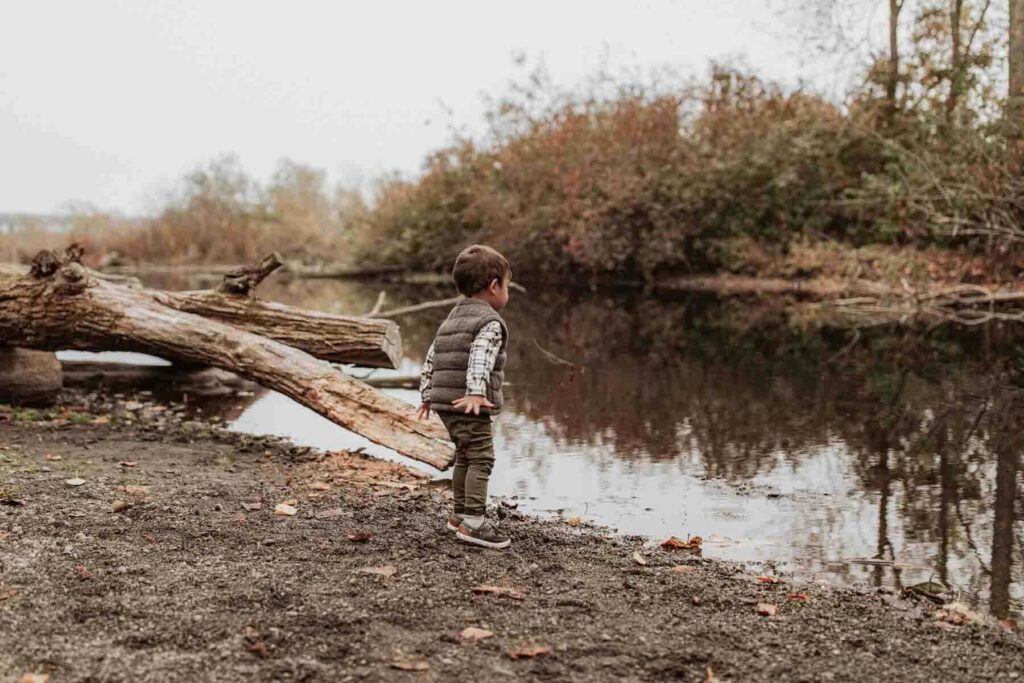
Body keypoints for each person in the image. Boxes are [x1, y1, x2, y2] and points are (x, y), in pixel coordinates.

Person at [417, 244, 512, 549]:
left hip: (446, 403)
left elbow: (433, 355)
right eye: (507, 285)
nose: (506, 291)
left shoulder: (452, 317)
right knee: (481, 458)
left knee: (465, 456)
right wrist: (474, 391)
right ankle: (474, 523)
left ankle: (459, 515)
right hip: (468, 403)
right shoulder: (489, 322)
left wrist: (427, 393)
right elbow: (480, 357)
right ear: (494, 286)